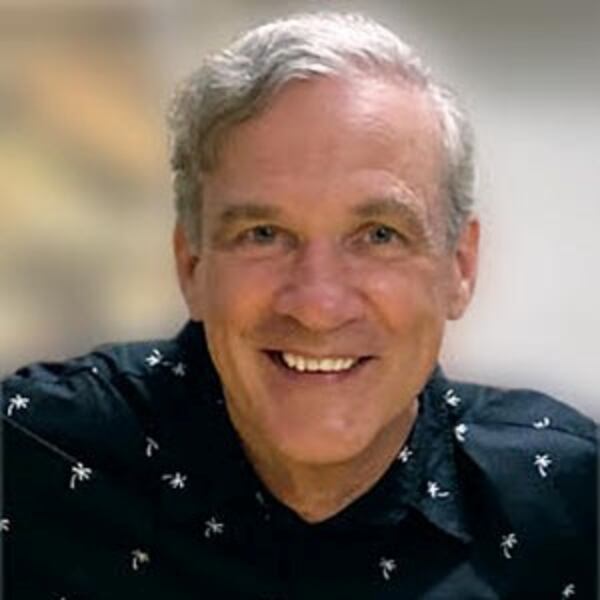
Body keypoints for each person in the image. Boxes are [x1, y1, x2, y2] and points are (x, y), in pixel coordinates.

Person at [1, 12, 596, 600]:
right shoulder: (31, 460)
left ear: (460, 268)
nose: (318, 306)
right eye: (263, 234)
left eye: (379, 235)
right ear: (191, 264)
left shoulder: (565, 504)